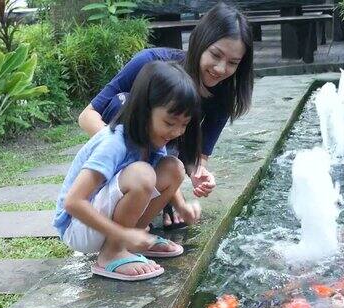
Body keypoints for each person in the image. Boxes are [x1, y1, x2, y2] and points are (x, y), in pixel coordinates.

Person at [77, 2, 254, 229]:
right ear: (200, 42)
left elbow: (198, 154)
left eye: (232, 63)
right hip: (120, 151)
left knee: (174, 141)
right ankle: (128, 204)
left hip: (161, 158)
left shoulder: (223, 95)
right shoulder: (150, 63)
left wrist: (198, 172)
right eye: (216, 55)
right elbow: (87, 116)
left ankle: (151, 206)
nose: (220, 69)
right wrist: (121, 148)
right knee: (123, 103)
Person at [53, 62, 202, 281]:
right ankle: (112, 253)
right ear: (145, 110)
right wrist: (121, 234)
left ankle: (134, 241)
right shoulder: (115, 142)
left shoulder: (153, 139)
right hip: (78, 227)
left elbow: (167, 176)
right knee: (143, 174)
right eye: (170, 122)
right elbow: (73, 202)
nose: (177, 131)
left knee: (173, 168)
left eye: (184, 124)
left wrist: (182, 207)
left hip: (105, 222)